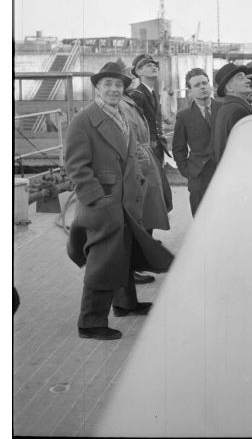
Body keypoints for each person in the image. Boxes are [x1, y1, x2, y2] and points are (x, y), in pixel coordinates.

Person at [65, 62, 173, 340]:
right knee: (103, 260)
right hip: (104, 202)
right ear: (97, 88)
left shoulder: (120, 115)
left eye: (118, 85)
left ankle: (125, 304)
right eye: (108, 85)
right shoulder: (84, 120)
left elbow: (129, 155)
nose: (114, 89)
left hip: (125, 200)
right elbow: (76, 166)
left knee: (123, 252)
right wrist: (97, 200)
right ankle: (90, 322)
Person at [172, 68, 222, 215]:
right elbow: (178, 148)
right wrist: (188, 172)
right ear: (190, 91)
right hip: (198, 175)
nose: (202, 87)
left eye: (205, 83)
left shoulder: (224, 109)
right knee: (200, 217)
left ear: (210, 85)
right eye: (197, 85)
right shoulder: (184, 116)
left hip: (222, 171)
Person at [127, 53, 173, 212]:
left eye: (155, 65)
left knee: (155, 192)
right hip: (146, 150)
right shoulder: (137, 95)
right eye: (148, 65)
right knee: (148, 191)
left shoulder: (152, 93)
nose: (154, 67)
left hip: (156, 148)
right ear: (139, 72)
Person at [212, 63, 252, 164]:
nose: (248, 80)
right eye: (241, 78)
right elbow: (246, 151)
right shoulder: (238, 110)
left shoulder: (226, 108)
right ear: (229, 87)